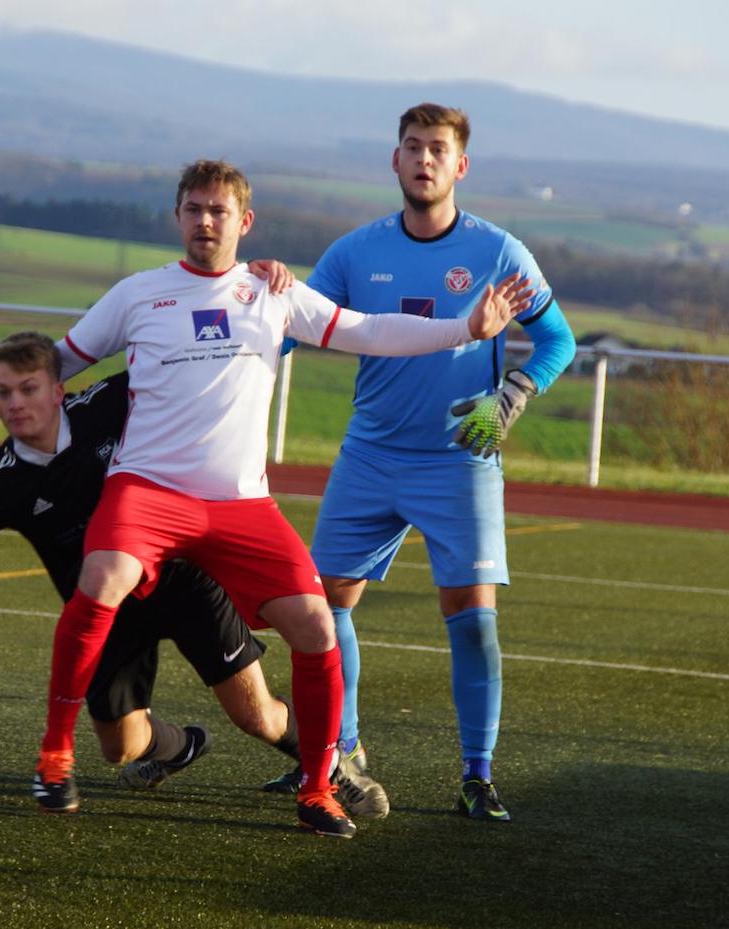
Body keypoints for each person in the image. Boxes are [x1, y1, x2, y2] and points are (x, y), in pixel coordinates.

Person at [0, 159, 533, 838]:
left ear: (245, 221)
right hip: (147, 492)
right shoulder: (137, 294)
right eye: (194, 209)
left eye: (219, 211)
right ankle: (55, 757)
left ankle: (317, 789)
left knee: (317, 625)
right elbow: (49, 365)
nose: (206, 221)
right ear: (178, 217)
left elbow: (369, 330)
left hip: (240, 506)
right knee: (103, 576)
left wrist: (465, 330)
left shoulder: (273, 292)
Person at [0, 332, 362, 810]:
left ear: (57, 389)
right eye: (3, 393)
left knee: (256, 716)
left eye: (28, 388)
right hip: (106, 613)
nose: (16, 403)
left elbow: (191, 368)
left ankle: (330, 768)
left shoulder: (108, 405)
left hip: (183, 581)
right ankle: (183, 747)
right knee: (119, 747)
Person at [269, 103, 577, 821]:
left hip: (459, 461)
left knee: (471, 617)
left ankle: (477, 775)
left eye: (438, 149)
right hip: (370, 454)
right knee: (323, 605)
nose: (425, 159)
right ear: (395, 160)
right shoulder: (354, 253)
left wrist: (512, 395)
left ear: (460, 165)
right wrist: (249, 315)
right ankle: (340, 751)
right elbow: (287, 329)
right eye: (413, 146)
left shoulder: (500, 252)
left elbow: (558, 340)